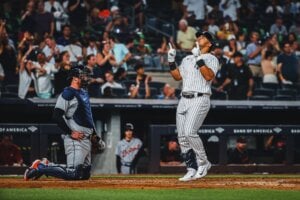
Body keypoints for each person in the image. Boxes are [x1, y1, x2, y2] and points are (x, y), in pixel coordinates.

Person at [24, 66, 105, 181]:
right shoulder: (68, 93)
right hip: (76, 139)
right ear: (75, 78)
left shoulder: (84, 92)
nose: (87, 78)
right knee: (73, 174)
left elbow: (88, 117)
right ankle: (41, 167)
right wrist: (71, 132)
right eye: (84, 76)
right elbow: (56, 116)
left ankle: (48, 164)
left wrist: (94, 135)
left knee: (84, 175)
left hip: (86, 139)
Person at [167, 31, 218, 181]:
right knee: (182, 137)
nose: (199, 38)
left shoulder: (211, 58)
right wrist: (171, 60)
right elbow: (177, 76)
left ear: (209, 44)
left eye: (203, 37)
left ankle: (203, 163)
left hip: (200, 97)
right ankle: (191, 168)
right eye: (199, 36)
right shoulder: (188, 58)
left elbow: (208, 76)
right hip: (184, 98)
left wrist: (198, 57)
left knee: (190, 132)